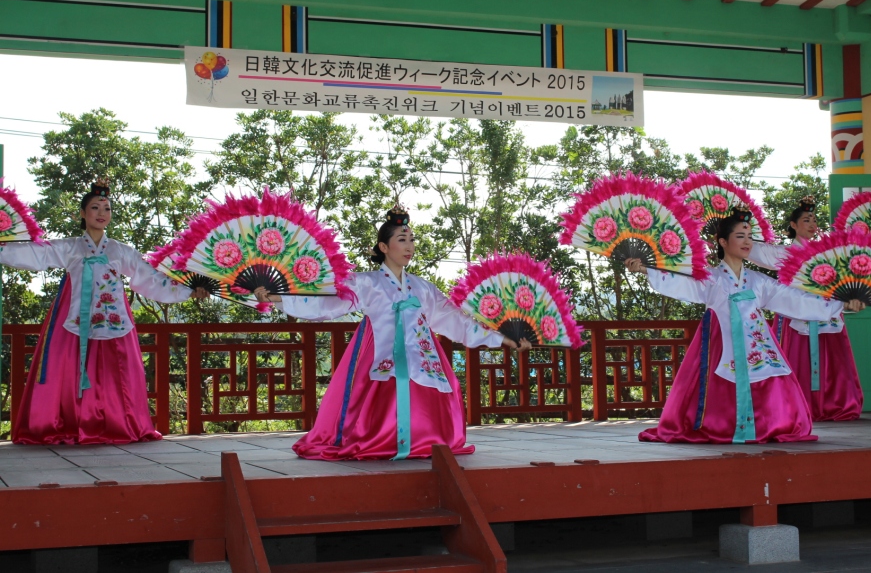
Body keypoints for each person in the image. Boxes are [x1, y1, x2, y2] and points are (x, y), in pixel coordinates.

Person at [255, 205, 531, 461]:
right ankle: (382, 442)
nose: (409, 246)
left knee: (430, 398)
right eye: (402, 240)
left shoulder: (423, 288)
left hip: (422, 358)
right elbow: (327, 303)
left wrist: (502, 339)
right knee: (384, 395)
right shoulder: (366, 283)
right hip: (382, 355)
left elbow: (455, 320)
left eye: (412, 240)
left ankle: (422, 443)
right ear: (384, 247)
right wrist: (279, 298)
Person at [626, 208, 863, 444]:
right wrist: (646, 269)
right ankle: (725, 426)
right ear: (722, 241)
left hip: (757, 340)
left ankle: (767, 426)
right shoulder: (712, 278)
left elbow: (794, 299)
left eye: (749, 237)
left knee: (770, 375)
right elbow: (681, 282)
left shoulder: (758, 281)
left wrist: (841, 304)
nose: (747, 242)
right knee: (721, 384)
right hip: (722, 339)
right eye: (740, 236)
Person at [0, 180, 207, 445]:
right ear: (82, 214)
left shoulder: (120, 250)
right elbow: (35, 253)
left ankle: (118, 425)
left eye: (107, 208)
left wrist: (188, 291)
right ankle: (67, 424)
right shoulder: (70, 247)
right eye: (95, 207)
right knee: (65, 372)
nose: (101, 213)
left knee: (117, 374)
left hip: (113, 318)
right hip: (73, 317)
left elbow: (150, 279)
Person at [749, 196, 864, 421]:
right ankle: (798, 406)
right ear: (793, 225)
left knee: (834, 361)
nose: (812, 224)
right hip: (796, 314)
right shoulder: (783, 253)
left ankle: (836, 404)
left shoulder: (828, 254)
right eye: (806, 220)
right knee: (797, 359)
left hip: (826, 312)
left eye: (814, 220)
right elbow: (754, 250)